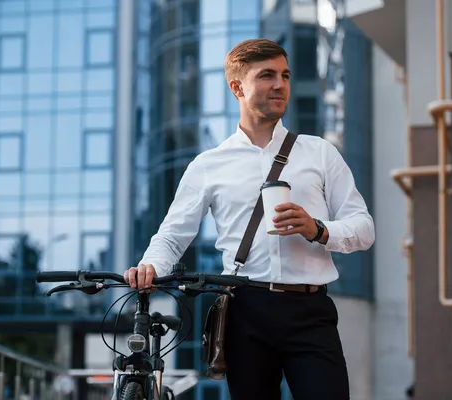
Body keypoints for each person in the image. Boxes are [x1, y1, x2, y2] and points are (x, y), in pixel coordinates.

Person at [124, 38, 375, 399]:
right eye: (267, 75)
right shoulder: (208, 165)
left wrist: (317, 229)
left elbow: (363, 229)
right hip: (245, 310)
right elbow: (172, 235)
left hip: (311, 311)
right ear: (237, 87)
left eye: (285, 75)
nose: (280, 85)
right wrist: (150, 265)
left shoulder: (320, 153)